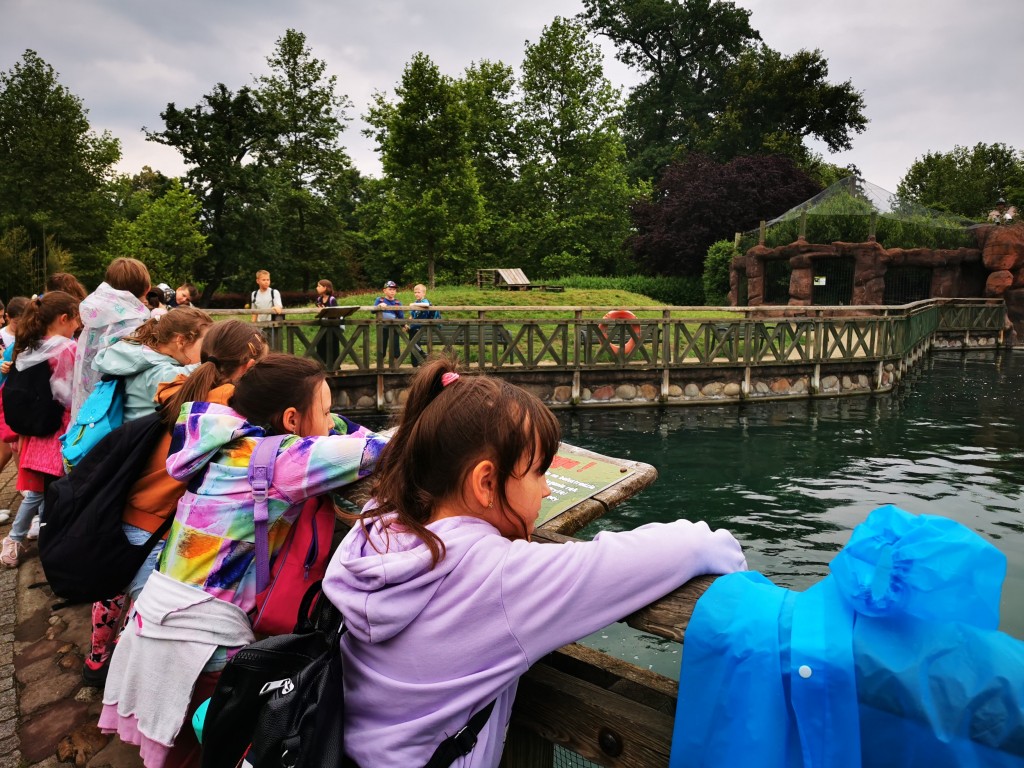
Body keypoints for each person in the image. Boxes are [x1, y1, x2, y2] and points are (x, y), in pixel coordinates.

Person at [323, 357, 747, 767]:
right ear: (486, 483)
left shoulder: (375, 529)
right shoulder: (500, 578)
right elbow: (692, 547)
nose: (545, 491)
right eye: (539, 472)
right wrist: (733, 562)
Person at [99, 354, 388, 768]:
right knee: (218, 750)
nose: (330, 421)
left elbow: (334, 432)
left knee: (181, 750)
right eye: (323, 411)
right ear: (290, 420)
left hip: (155, 616)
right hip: (203, 640)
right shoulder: (281, 463)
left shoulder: (222, 438)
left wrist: (328, 419)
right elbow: (379, 450)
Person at [83, 320, 268, 687]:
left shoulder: (179, 386)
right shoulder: (232, 406)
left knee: (113, 591)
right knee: (148, 618)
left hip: (133, 509)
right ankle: (128, 684)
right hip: (161, 522)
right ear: (249, 364)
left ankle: (97, 660)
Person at [0, 292, 82, 568]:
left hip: (36, 430)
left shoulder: (29, 346)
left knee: (42, 489)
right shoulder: (66, 348)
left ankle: (42, 538)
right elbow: (71, 394)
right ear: (63, 318)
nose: (77, 326)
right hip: (59, 431)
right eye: (76, 319)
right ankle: (15, 538)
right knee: (43, 491)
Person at [91, 307, 212, 422]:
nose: (208, 352)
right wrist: (219, 359)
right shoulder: (152, 371)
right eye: (205, 345)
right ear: (181, 341)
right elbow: (194, 375)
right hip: (143, 442)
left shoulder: (148, 358)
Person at [72, 257, 152, 419]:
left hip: (88, 402)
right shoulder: (136, 322)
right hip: (116, 409)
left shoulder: (96, 315)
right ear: (147, 289)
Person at [0, 297, 29, 525]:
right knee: (4, 453)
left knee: (18, 447)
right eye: (19, 321)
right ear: (9, 318)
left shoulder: (29, 335)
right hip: (4, 398)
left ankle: (25, 489)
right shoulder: (4, 338)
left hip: (17, 399)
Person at [409, 283, 441, 366]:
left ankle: (419, 359)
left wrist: (413, 305)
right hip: (414, 326)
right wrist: (407, 323)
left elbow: (426, 305)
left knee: (413, 343)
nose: (416, 294)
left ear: (424, 293)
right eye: (415, 292)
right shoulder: (416, 302)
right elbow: (412, 316)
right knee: (411, 343)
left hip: (422, 327)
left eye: (418, 292)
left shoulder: (424, 301)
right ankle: (415, 362)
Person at [374, 280, 405, 364]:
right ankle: (380, 364)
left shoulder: (397, 302)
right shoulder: (380, 300)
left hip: (394, 327)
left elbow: (401, 316)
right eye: (390, 289)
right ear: (384, 290)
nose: (392, 291)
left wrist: (403, 325)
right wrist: (379, 306)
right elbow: (372, 310)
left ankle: (395, 363)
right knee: (382, 345)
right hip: (382, 327)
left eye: (394, 290)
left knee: (395, 345)